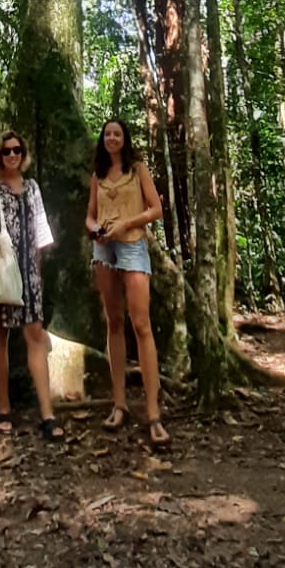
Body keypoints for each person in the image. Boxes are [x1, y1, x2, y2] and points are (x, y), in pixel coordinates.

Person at [0, 128, 64, 441]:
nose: (13, 155)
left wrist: (37, 273)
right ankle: (4, 409)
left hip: (30, 275)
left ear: (23, 156)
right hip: (1, 272)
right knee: (0, 337)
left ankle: (47, 413)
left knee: (35, 336)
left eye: (18, 151)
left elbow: (41, 231)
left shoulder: (33, 188)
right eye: (7, 151)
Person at [85, 118, 169, 444]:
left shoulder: (138, 170)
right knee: (114, 322)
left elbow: (156, 209)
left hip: (133, 246)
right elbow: (90, 214)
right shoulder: (98, 175)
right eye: (107, 134)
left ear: (125, 138)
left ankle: (153, 413)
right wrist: (95, 229)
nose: (112, 138)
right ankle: (119, 405)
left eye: (117, 134)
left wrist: (124, 226)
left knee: (142, 324)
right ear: (103, 139)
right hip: (103, 250)